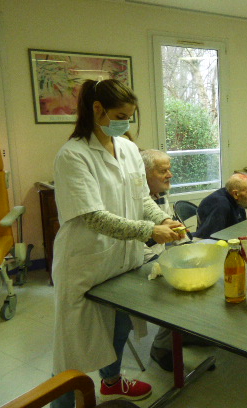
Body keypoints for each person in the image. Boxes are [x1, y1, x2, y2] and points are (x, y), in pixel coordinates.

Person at [51, 79, 184, 407]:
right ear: (97, 110)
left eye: (131, 115)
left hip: (121, 261)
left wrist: (161, 220)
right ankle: (63, 403)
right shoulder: (74, 155)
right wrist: (149, 232)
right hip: (85, 262)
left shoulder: (126, 149)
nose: (128, 121)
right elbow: (93, 218)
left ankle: (112, 382)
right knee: (73, 352)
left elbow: (141, 198)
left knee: (119, 327)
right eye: (121, 114)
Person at [140, 149, 203, 372]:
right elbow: (141, 247)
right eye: (163, 171)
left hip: (156, 255)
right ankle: (161, 347)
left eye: (169, 169)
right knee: (178, 288)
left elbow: (174, 229)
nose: (170, 175)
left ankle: (183, 333)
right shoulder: (135, 201)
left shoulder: (160, 195)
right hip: (138, 261)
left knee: (197, 274)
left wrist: (189, 251)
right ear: (143, 173)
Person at [193, 173, 247, 239]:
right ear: (235, 194)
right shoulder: (220, 205)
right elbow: (212, 237)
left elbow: (241, 229)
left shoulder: (237, 199)